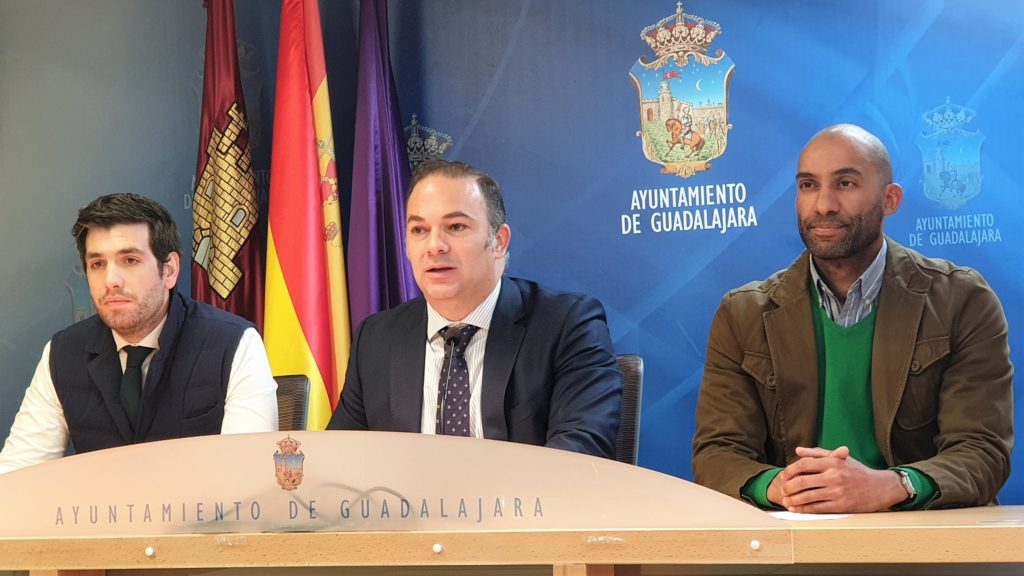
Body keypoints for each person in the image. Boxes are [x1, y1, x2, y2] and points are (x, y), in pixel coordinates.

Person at [692, 124, 1013, 512]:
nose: (823, 205)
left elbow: (982, 451)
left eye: (845, 183)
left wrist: (892, 486)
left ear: (890, 199)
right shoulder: (742, 313)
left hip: (923, 531)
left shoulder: (962, 299)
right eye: (808, 185)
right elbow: (717, 453)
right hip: (796, 535)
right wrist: (782, 487)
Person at [328, 160, 622, 458]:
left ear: (499, 242)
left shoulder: (566, 325)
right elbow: (340, 457)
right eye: (419, 229)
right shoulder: (376, 339)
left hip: (524, 490)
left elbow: (581, 450)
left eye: (456, 227)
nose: (434, 245)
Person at [0, 193, 278, 474]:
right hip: (99, 503)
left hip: (204, 503)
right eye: (97, 264)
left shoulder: (234, 343)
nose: (111, 281)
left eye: (130, 260)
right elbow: (16, 473)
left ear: (169, 270)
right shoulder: (63, 352)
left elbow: (246, 477)